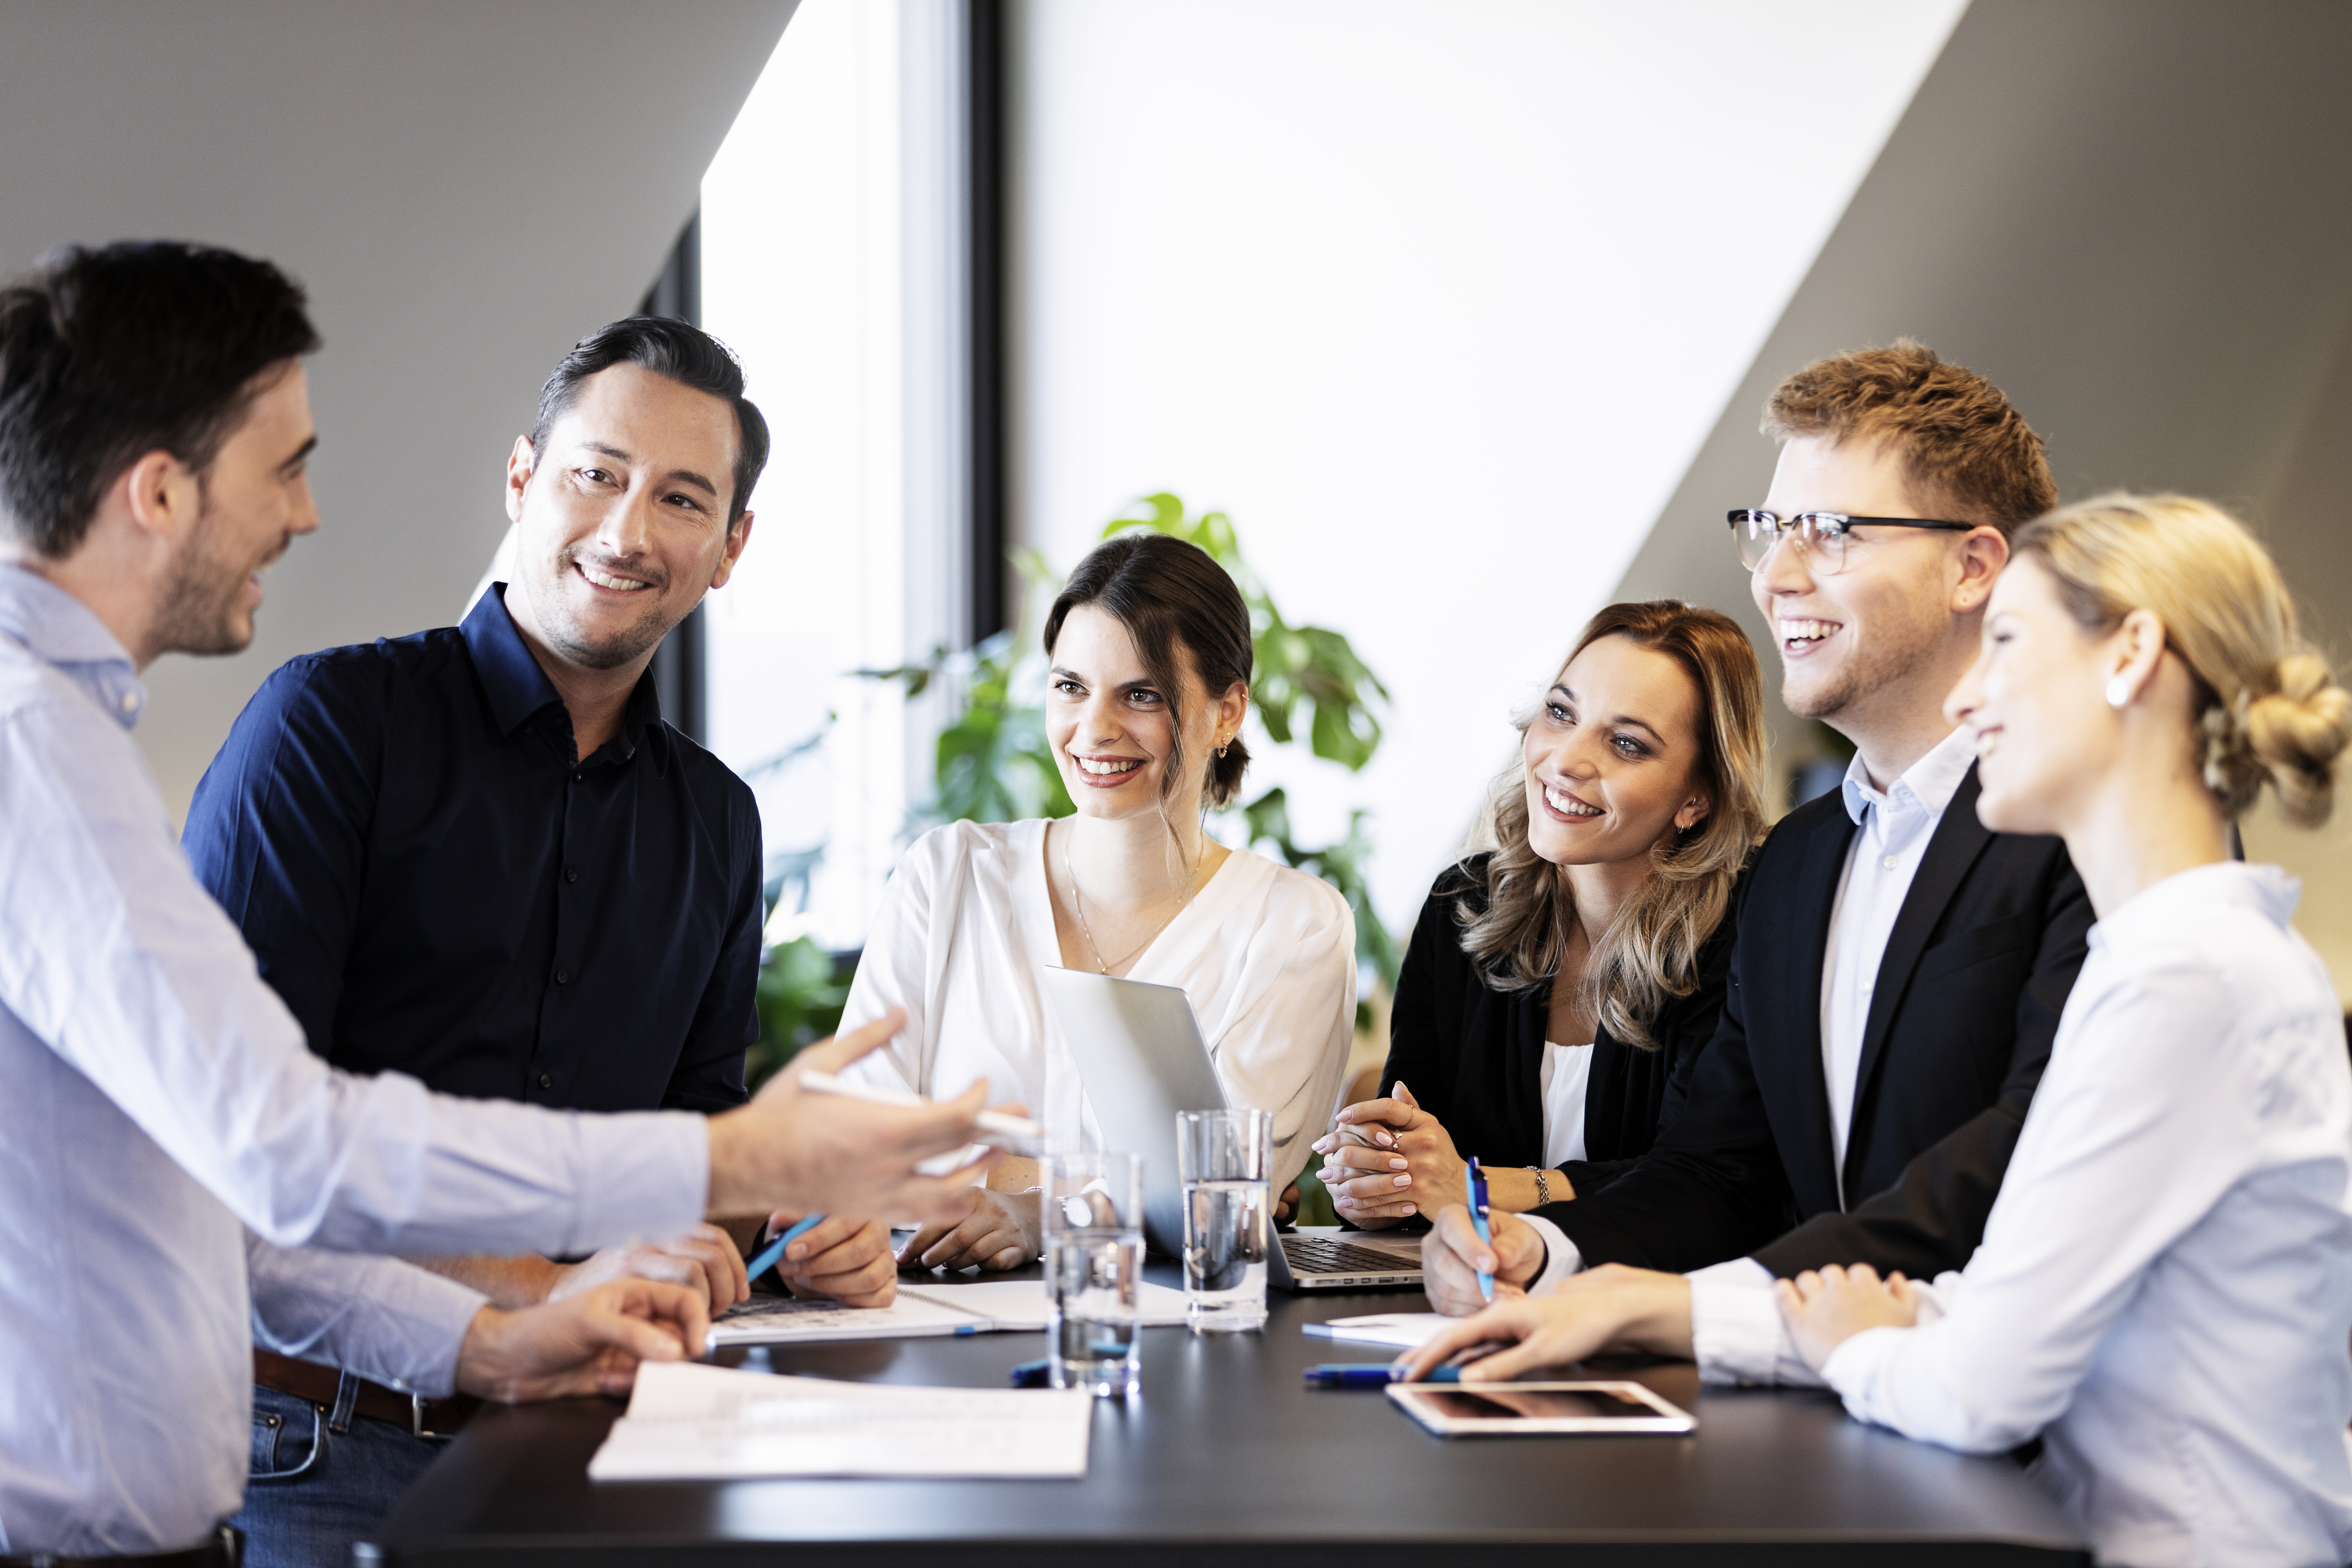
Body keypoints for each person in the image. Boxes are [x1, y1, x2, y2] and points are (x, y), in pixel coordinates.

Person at [0, 240, 997, 1560]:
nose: (307, 515)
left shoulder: (68, 742)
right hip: (291, 1462)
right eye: (285, 467)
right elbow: (285, 1153)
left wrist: (536, 1324)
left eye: (683, 499)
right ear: (162, 491)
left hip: (572, 1416)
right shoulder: (76, 748)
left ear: (729, 544)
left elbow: (222, 1189)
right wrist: (727, 1164)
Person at [1434, 495, 2352, 1568]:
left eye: (2007, 643)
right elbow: (1990, 1296)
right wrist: (1647, 1303)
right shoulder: (2165, 963)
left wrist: (1845, 1340)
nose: (1973, 692)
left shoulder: (2190, 979)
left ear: (2130, 656)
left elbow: (1982, 1383)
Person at [177, 315, 896, 1566]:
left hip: (602, 1441)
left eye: (680, 499)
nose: (625, 532)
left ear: (729, 549)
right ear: (523, 479)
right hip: (320, 1447)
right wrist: (539, 1283)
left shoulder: (718, 820)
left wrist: (780, 1244)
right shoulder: (331, 727)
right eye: (595, 474)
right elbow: (237, 1148)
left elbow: (696, 1152)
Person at [1407, 342, 2094, 1382]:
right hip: (1827, 1412)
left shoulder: (2082, 830)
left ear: (1973, 565)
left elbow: (2024, 1162)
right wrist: (1544, 1251)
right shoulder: (1798, 866)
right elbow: (1722, 1169)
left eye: (1830, 532)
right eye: (1770, 531)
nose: (1776, 577)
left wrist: (1674, 1308)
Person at [839, 531, 1356, 1269]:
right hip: (921, 1318)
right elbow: (858, 1141)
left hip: (1158, 1352)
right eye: (1070, 686)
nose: (1095, 729)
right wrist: (1110, 1187)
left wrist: (1036, 1205)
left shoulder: (1293, 927)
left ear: (1227, 712)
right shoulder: (948, 876)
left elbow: (1222, 1196)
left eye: (1141, 694)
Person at [1309, 600, 1766, 1224]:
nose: (1566, 761)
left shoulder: (1745, 934)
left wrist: (1478, 1188)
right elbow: (1414, 1154)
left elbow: (1698, 1180)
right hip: (1455, 1297)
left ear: (1697, 798)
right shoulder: (1462, 909)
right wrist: (1377, 1182)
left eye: (1627, 744)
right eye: (1560, 712)